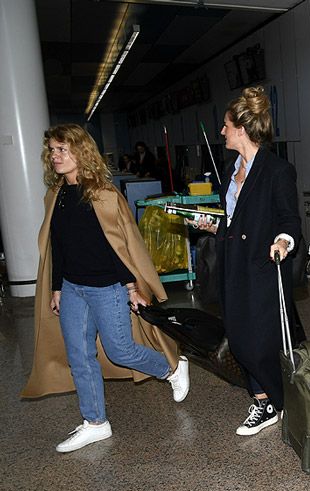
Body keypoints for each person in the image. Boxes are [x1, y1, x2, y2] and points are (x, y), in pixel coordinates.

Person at [21, 124, 189, 452]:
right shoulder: (56, 194)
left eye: (61, 150)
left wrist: (131, 287)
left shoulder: (103, 194)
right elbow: (59, 244)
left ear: (80, 152)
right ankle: (96, 422)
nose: (55, 156)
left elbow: (118, 245)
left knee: (119, 349)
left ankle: (170, 368)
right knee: (78, 354)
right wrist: (57, 287)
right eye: (52, 151)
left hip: (106, 287)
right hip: (72, 288)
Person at [192, 86, 301, 436]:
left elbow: (289, 220)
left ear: (241, 128)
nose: (222, 131)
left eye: (225, 125)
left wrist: (284, 241)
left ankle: (286, 401)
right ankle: (262, 401)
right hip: (231, 263)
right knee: (238, 340)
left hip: (260, 266)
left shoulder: (277, 170)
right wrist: (211, 223)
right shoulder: (231, 169)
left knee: (255, 344)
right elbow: (233, 218)